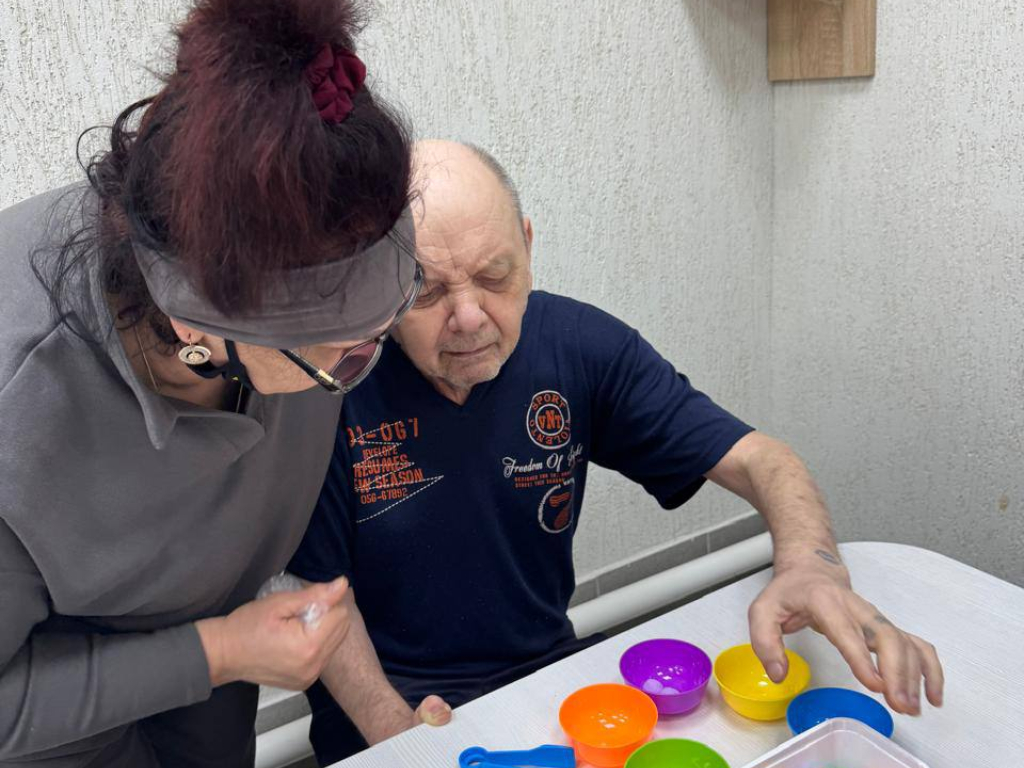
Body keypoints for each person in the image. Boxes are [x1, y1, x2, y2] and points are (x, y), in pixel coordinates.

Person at [288, 140, 945, 765]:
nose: (469, 317)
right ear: (378, 285)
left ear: (528, 246)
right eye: (426, 291)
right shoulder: (330, 383)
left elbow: (760, 458)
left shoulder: (577, 346)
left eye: (495, 276)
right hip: (390, 716)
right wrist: (398, 737)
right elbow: (316, 596)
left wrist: (810, 563)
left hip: (547, 684)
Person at [0, 1, 421, 766]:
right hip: (46, 718)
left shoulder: (294, 313)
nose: (369, 360)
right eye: (346, 358)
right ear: (193, 326)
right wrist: (218, 652)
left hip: (219, 676)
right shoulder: (19, 413)